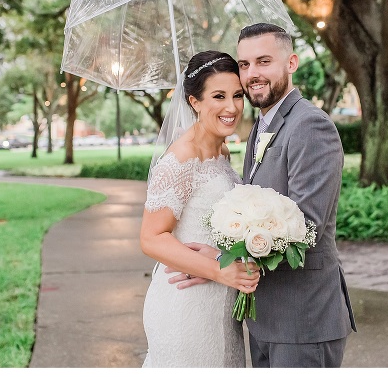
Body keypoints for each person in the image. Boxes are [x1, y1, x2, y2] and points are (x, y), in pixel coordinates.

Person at [169, 23, 356, 367]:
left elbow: (306, 228)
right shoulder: (261, 125)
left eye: (263, 61)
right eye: (244, 64)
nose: (252, 73)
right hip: (265, 317)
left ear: (291, 63)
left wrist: (223, 262)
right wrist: (220, 251)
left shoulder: (310, 125)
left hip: (303, 318)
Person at [140, 50, 260, 368]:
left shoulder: (222, 151)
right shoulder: (180, 159)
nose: (232, 107)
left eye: (237, 95)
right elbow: (151, 238)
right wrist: (220, 270)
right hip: (184, 307)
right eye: (218, 96)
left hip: (220, 303)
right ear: (194, 102)